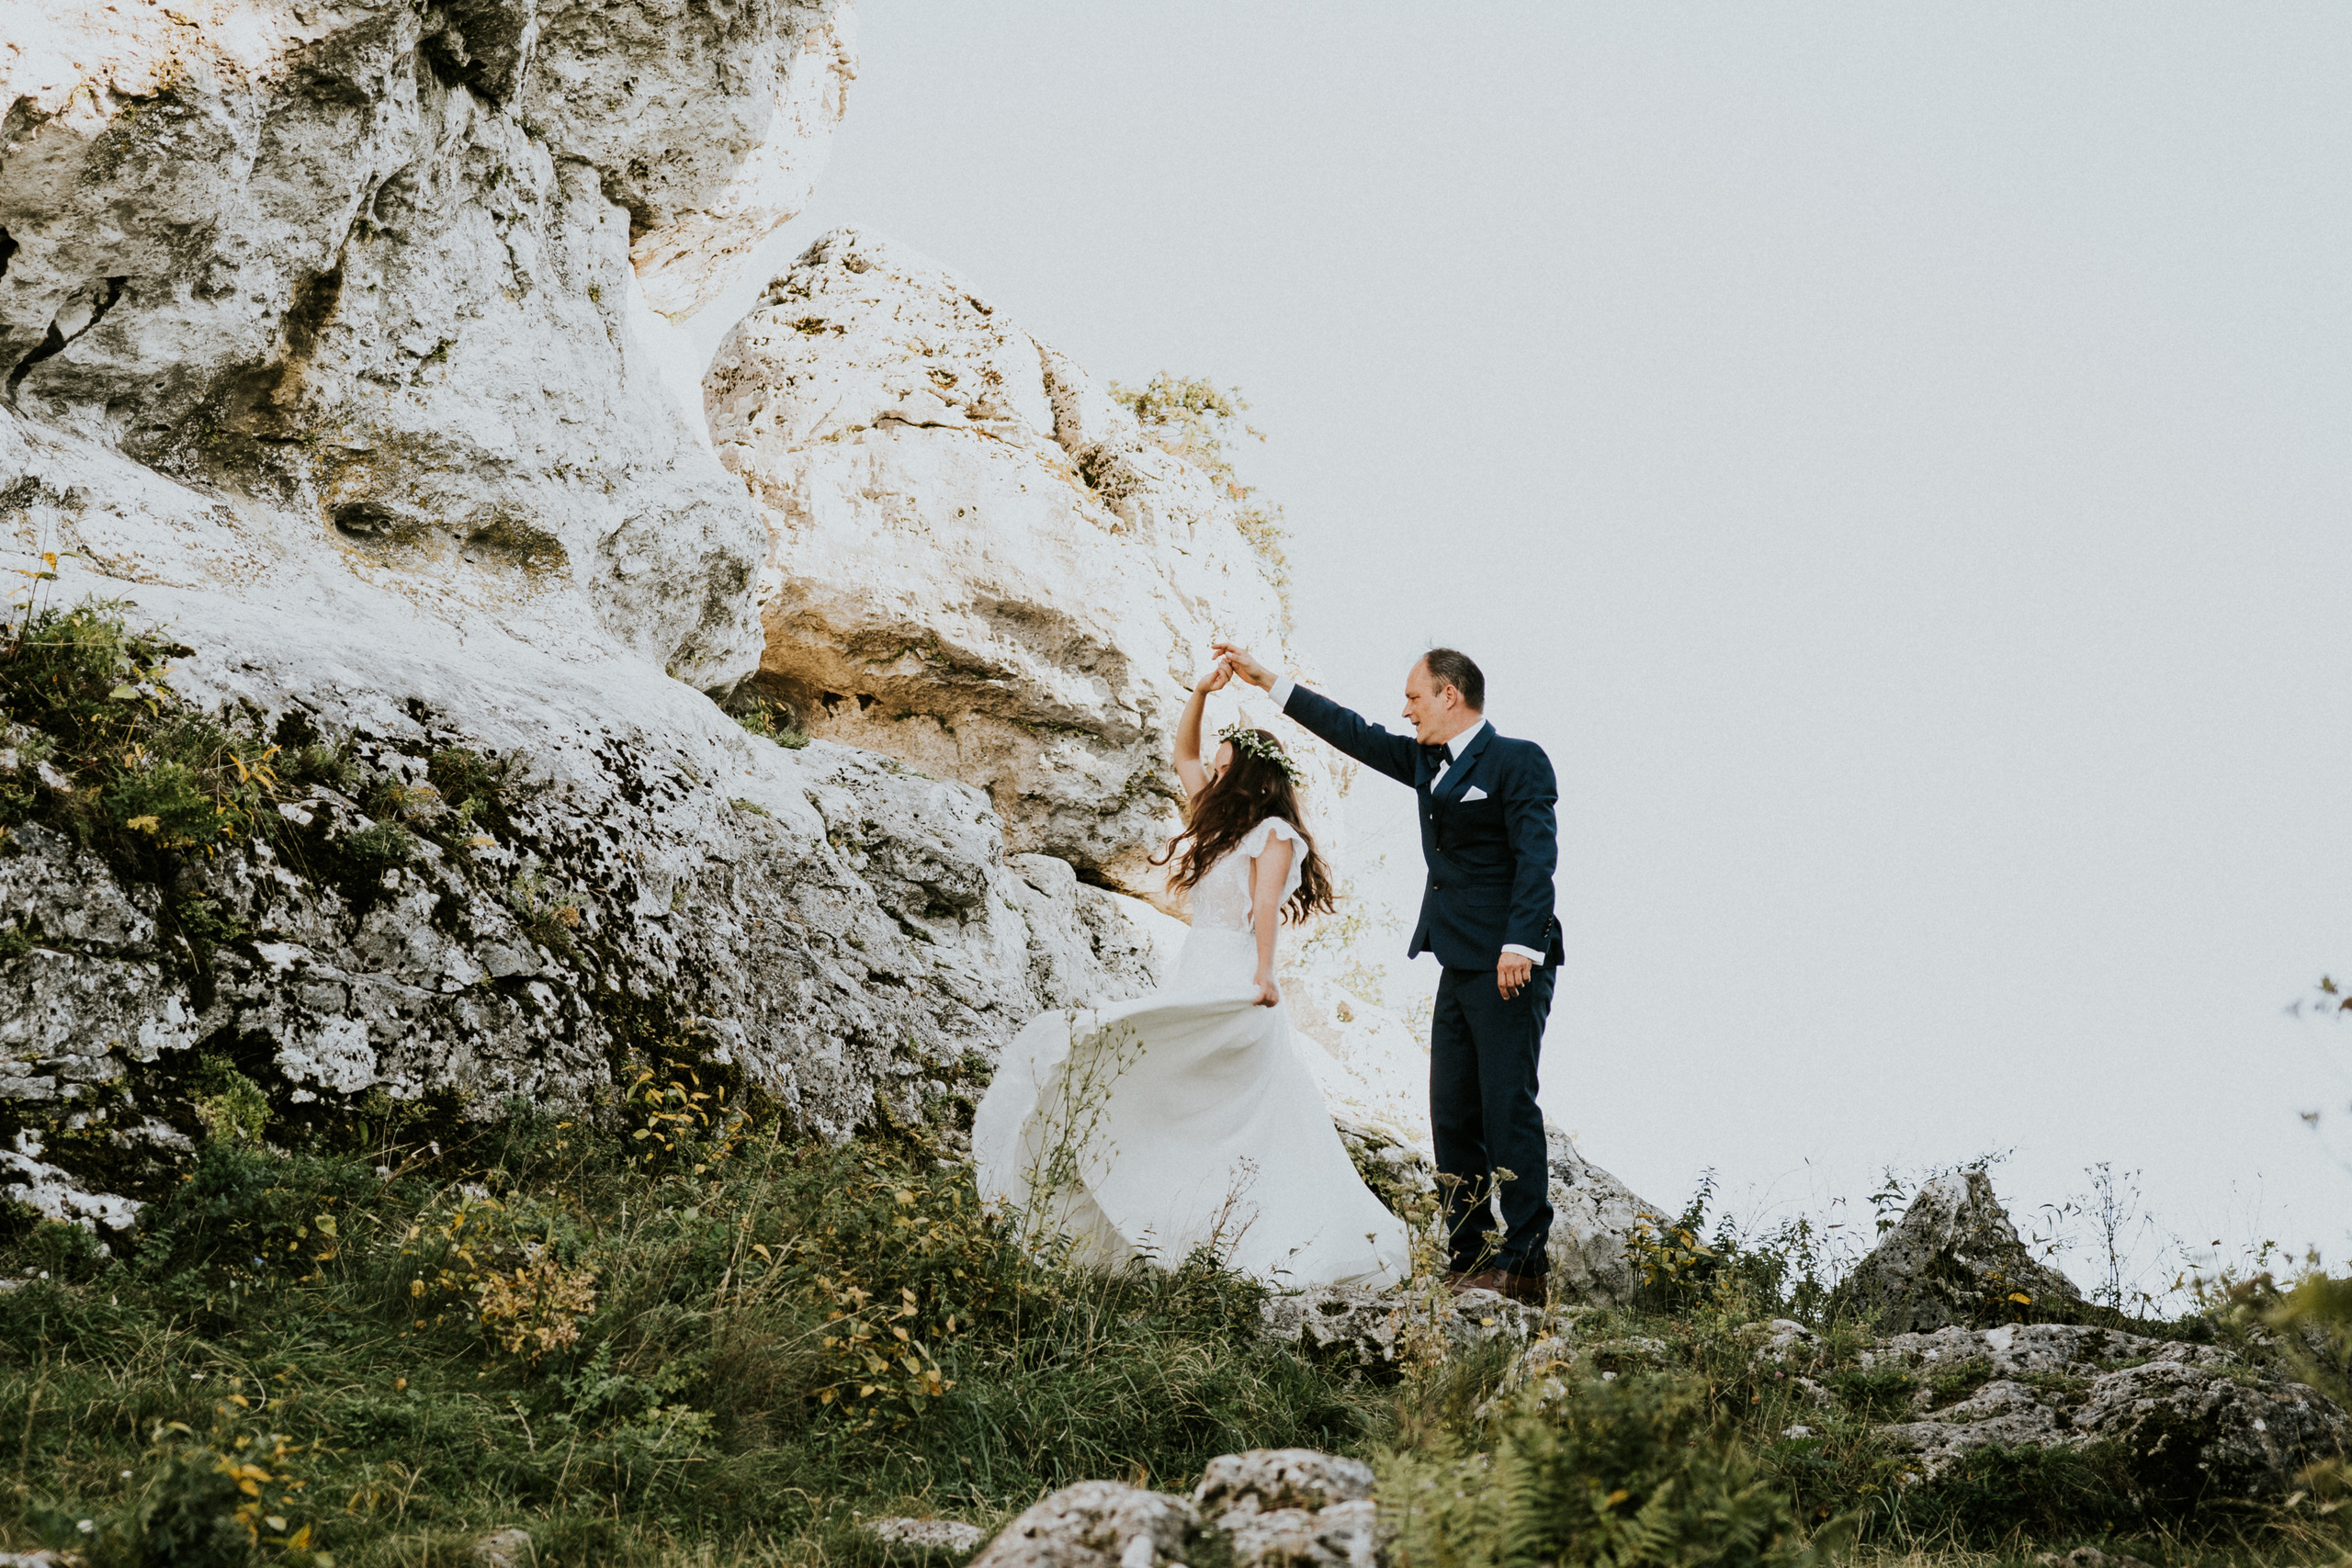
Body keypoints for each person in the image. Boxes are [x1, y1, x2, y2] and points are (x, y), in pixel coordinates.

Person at [971, 658, 1410, 1288]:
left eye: (1229, 765)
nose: (1216, 771)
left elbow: (1264, 908)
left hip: (1236, 974)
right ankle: (1168, 1216)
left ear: (1254, 777)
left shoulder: (1275, 833)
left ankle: (1236, 1234)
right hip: (1195, 965)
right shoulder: (1220, 823)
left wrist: (1264, 975)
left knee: (1227, 1113)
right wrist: (1201, 695)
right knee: (1162, 1081)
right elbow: (1183, 754)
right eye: (1220, 764)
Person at [1213, 641, 1560, 1306]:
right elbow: (1351, 731)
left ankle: (1524, 1263)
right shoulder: (1427, 762)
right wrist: (1266, 680)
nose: (1404, 710)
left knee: (1506, 1104)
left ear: (1449, 695)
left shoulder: (1518, 760)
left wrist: (1523, 943)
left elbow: (1537, 857)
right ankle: (1467, 1253)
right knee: (1452, 1110)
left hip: (1508, 963)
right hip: (1455, 961)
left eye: (1414, 697)